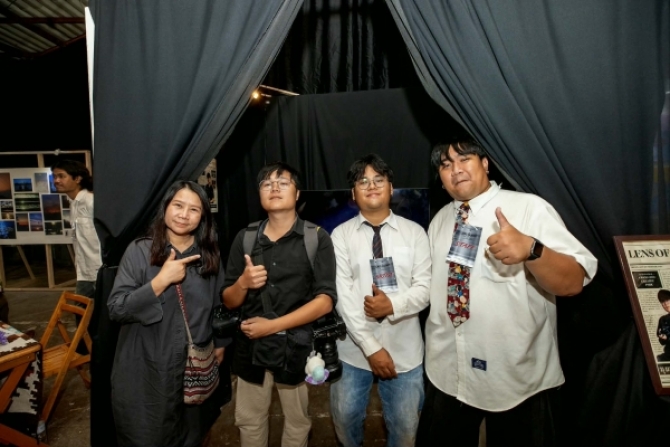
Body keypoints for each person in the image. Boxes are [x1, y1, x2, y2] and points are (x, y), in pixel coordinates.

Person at [417, 138, 598, 447]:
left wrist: (532, 250)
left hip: (515, 377)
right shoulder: (440, 221)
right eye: (445, 165)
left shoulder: (528, 208)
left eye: (464, 159)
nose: (455, 170)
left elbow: (573, 283)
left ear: (485, 164)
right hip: (447, 371)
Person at [222, 162, 337, 447]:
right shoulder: (245, 238)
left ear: (297, 194)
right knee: (249, 420)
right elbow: (229, 300)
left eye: (283, 183)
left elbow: (325, 302)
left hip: (295, 348)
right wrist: (243, 283)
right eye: (266, 184)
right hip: (250, 348)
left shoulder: (316, 238)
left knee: (298, 421)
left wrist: (272, 326)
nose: (274, 188)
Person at [108, 181, 230, 447]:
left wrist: (220, 344)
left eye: (194, 209)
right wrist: (159, 282)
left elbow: (218, 305)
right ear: (165, 207)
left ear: (203, 217)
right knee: (147, 437)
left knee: (193, 436)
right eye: (178, 205)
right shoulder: (139, 251)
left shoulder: (209, 255)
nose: (184, 215)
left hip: (195, 371)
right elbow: (116, 309)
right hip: (146, 369)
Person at [329, 154, 431, 447]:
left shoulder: (415, 233)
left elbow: (425, 288)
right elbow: (342, 296)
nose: (371, 186)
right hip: (354, 350)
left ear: (391, 188)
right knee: (345, 419)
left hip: (405, 350)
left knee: (406, 427)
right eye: (363, 182)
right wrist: (371, 347)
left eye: (379, 180)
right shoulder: (340, 236)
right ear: (353, 193)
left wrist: (393, 306)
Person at [51, 160, 102, 299]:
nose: (56, 180)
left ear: (78, 178)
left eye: (61, 176)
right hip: (84, 273)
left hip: (99, 272)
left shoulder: (91, 201)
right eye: (55, 176)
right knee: (80, 311)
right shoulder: (73, 204)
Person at [656, 289, 670, 362]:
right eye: (663, 302)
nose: (666, 304)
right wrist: (662, 338)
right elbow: (662, 342)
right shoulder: (663, 319)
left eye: (667, 301)